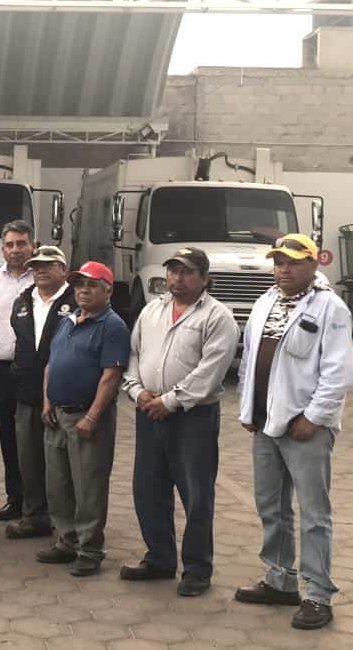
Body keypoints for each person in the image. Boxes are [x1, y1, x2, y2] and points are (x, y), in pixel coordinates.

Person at [234, 234, 353, 630]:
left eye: (292, 262)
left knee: (314, 514)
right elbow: (249, 358)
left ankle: (318, 595)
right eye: (279, 262)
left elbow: (339, 373)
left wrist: (314, 417)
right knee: (271, 506)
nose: (283, 270)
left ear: (313, 265)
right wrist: (248, 408)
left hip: (305, 429)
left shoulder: (330, 308)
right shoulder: (265, 302)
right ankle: (280, 580)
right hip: (265, 425)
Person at [120, 248, 238, 596]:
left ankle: (197, 569)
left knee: (196, 494)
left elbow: (210, 371)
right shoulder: (151, 310)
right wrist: (137, 391)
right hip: (149, 411)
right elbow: (134, 354)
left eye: (187, 272)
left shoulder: (217, 317)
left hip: (192, 416)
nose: (177, 278)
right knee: (148, 489)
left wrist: (170, 401)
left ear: (204, 278)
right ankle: (159, 559)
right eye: (173, 271)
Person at [39, 261, 129, 577]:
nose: (83, 290)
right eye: (79, 285)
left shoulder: (112, 326)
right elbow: (51, 364)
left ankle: (90, 550)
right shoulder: (67, 320)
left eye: (91, 285)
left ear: (108, 290)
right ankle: (67, 541)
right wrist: (47, 402)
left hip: (87, 418)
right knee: (58, 484)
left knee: (89, 487)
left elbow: (111, 376)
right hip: (57, 415)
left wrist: (92, 416)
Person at [5, 246, 77, 540]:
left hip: (63, 395)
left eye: (48, 265)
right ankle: (34, 516)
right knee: (29, 460)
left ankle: (69, 524)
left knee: (63, 465)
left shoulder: (76, 300)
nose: (41, 270)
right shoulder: (23, 301)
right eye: (36, 266)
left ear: (63, 269)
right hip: (27, 393)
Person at [0, 221, 35, 522]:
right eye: (10, 245)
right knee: (8, 434)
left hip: (35, 369)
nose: (16, 250)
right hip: (2, 368)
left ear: (32, 246)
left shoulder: (41, 277)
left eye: (21, 243)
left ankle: (38, 503)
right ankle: (15, 499)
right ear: (2, 250)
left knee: (35, 435)